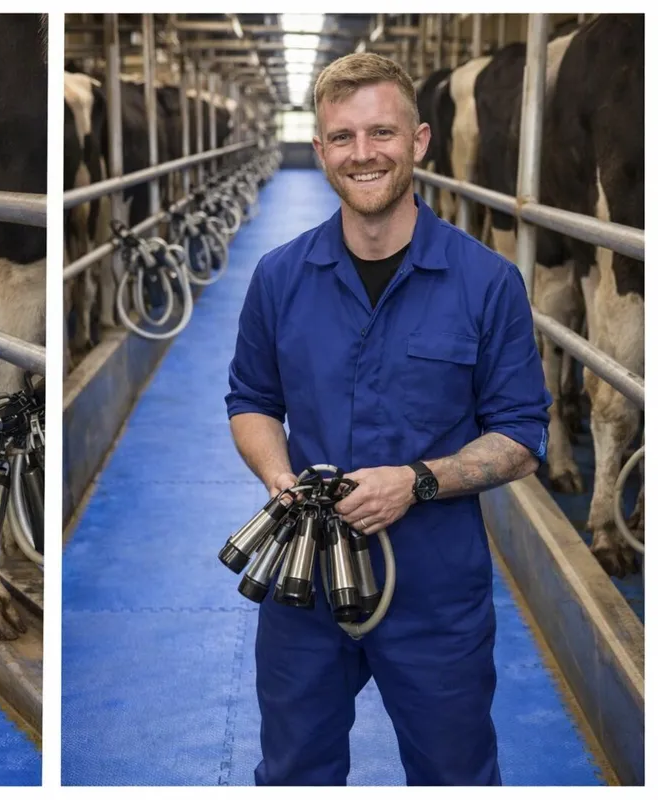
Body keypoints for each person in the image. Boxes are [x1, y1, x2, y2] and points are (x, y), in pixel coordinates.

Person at [224, 53, 551, 786]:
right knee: (294, 771)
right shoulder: (279, 277)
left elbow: (523, 436)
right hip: (303, 577)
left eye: (382, 133)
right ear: (320, 151)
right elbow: (250, 400)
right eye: (342, 137)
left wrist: (417, 482)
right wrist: (277, 475)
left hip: (435, 592)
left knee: (454, 774)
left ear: (421, 140)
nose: (363, 154)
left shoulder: (486, 283)